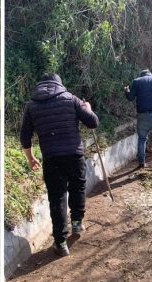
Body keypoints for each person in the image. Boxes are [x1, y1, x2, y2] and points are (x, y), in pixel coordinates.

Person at [20, 73, 99, 256]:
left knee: (57, 198)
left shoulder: (32, 106)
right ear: (59, 84)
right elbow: (93, 123)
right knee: (78, 187)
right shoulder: (71, 99)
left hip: (52, 158)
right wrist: (88, 108)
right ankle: (77, 222)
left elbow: (25, 137)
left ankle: (60, 242)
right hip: (74, 155)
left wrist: (30, 158)